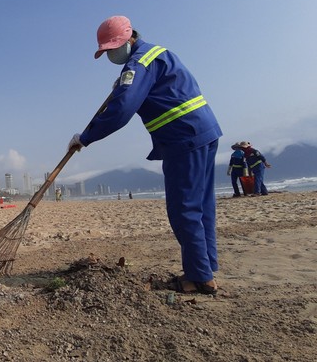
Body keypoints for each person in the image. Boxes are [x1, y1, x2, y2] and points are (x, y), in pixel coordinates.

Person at [68, 16, 222, 295]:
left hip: (183, 139)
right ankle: (206, 269)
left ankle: (199, 277)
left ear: (128, 39)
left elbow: (122, 110)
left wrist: (86, 137)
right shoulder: (156, 54)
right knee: (201, 207)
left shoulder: (138, 64)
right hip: (204, 133)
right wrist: (124, 87)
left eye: (111, 48)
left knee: (184, 209)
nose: (109, 55)